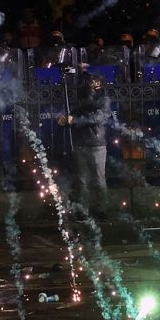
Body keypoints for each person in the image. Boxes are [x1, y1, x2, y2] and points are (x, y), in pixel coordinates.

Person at [58, 71, 110, 217]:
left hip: (96, 144)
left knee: (99, 180)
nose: (90, 84)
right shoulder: (82, 99)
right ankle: (83, 211)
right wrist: (65, 121)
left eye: (94, 81)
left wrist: (73, 120)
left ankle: (101, 210)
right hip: (81, 143)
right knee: (82, 180)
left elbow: (96, 118)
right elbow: (74, 116)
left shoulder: (103, 99)